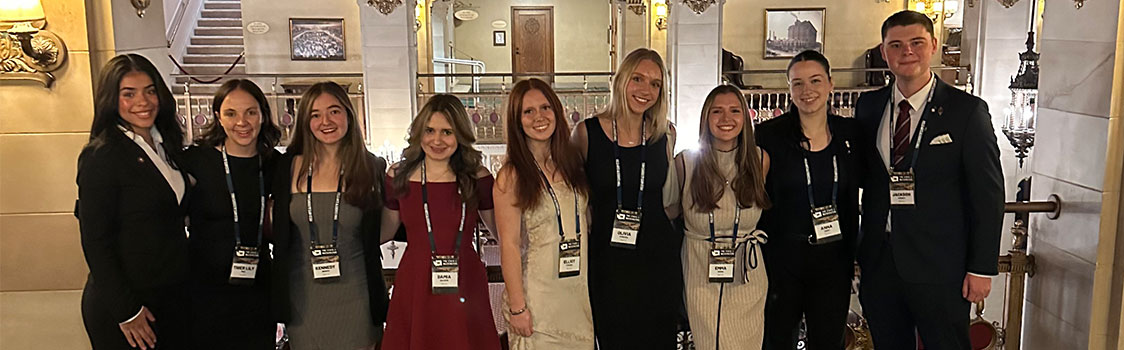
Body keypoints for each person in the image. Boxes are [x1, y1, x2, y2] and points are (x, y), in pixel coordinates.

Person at [854, 10, 1004, 350]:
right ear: (884, 51)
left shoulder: (966, 111)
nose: (907, 51)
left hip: (942, 266)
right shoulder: (869, 106)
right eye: (896, 44)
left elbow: (988, 193)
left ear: (933, 45)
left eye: (916, 42)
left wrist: (982, 267)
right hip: (881, 263)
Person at [756, 51, 875, 350]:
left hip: (834, 258)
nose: (807, 90)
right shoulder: (768, 135)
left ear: (831, 84)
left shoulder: (851, 133)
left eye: (815, 81)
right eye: (798, 83)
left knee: (828, 341)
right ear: (789, 88)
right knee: (777, 340)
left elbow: (870, 183)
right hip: (782, 259)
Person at [76, 53, 190, 350]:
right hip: (128, 304)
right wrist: (127, 311)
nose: (144, 101)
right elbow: (96, 241)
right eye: (129, 94)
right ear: (111, 99)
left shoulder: (167, 144)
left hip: (168, 296)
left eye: (150, 91)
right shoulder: (102, 155)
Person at [571, 48, 681, 349]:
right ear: (620, 81)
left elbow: (670, 199)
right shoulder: (586, 133)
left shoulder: (665, 133)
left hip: (657, 258)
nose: (646, 90)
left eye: (655, 84)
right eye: (638, 79)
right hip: (609, 262)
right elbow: (574, 196)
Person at [270, 82, 389, 349]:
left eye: (334, 111)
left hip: (357, 294)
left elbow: (387, 228)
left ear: (348, 114)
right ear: (305, 121)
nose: (326, 121)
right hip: (303, 297)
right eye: (315, 114)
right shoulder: (287, 167)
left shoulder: (371, 168)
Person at [379, 94, 502, 350]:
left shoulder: (477, 177)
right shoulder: (399, 176)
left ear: (460, 134)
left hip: (465, 277)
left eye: (447, 132)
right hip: (416, 278)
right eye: (429, 130)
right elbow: (385, 231)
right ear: (418, 133)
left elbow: (502, 232)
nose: (437, 140)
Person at [494, 78, 595, 349]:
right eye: (528, 111)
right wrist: (517, 307)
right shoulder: (511, 176)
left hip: (576, 298)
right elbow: (510, 246)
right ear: (517, 120)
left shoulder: (572, 164)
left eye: (545, 107)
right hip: (537, 301)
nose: (539, 117)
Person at [182, 79, 282, 349]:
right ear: (218, 117)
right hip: (206, 288)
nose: (242, 122)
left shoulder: (275, 165)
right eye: (231, 113)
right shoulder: (195, 161)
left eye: (251, 112)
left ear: (263, 114)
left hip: (257, 287)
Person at [672, 85, 771, 350]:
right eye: (717, 111)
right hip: (701, 271)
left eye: (734, 111)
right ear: (706, 117)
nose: (726, 119)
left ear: (745, 118)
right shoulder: (685, 163)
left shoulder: (760, 160)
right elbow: (669, 211)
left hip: (748, 276)